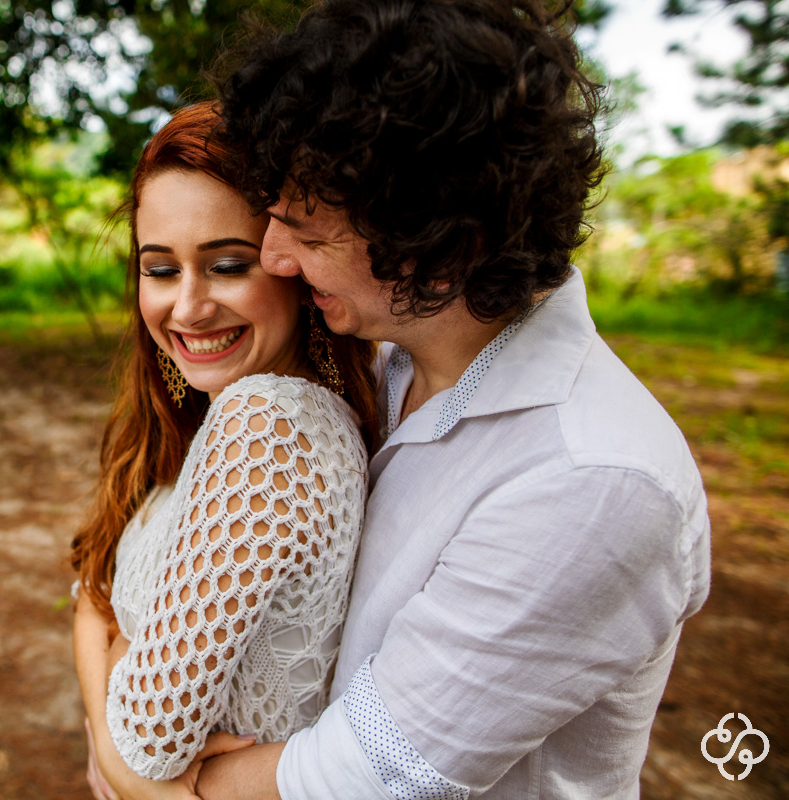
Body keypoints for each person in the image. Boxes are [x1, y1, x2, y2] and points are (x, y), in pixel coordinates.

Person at [173, 1, 709, 798]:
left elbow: (371, 773)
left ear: (443, 242)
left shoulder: (592, 477)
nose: (275, 258)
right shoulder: (378, 360)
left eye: (309, 233)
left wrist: (153, 783)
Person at [70, 103, 380, 799]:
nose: (187, 307)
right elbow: (90, 591)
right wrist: (108, 665)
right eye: (160, 269)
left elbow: (147, 740)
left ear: (294, 269)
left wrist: (122, 757)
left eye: (228, 265)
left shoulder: (267, 425)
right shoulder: (214, 416)